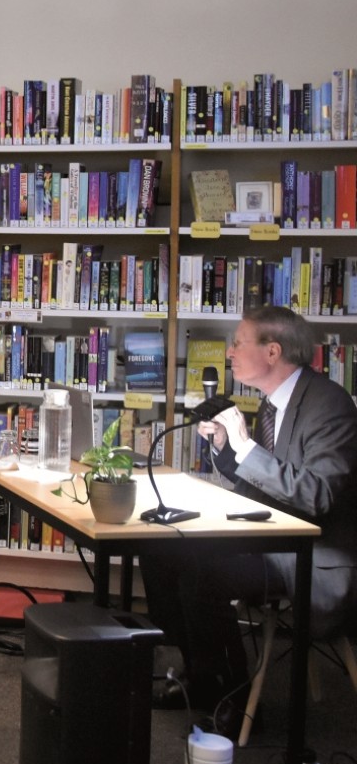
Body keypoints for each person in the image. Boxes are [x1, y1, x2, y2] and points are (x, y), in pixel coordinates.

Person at [144, 306, 357, 737]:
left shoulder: (329, 405)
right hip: (274, 539)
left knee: (201, 572)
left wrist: (245, 448)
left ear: (273, 351)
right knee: (160, 549)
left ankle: (235, 700)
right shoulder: (274, 404)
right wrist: (228, 450)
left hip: (315, 556)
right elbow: (267, 489)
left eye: (239, 342)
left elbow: (317, 496)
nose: (229, 352)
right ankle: (201, 675)